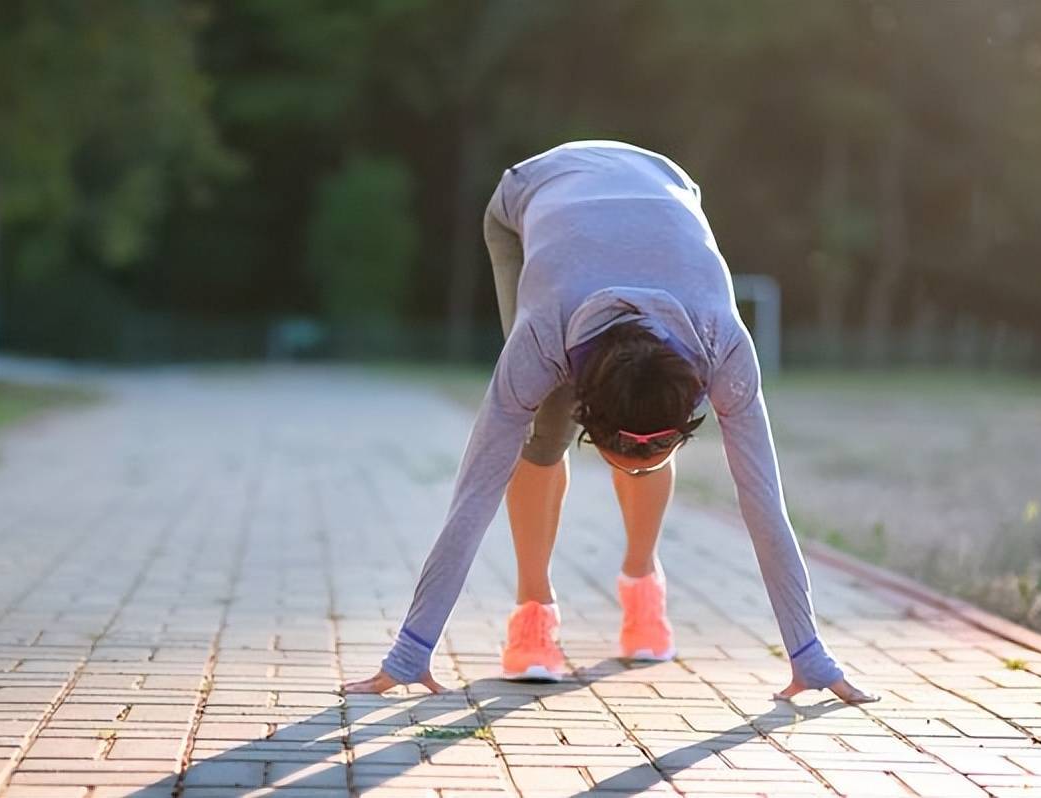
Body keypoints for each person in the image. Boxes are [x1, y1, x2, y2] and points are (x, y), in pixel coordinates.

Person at [344, 141, 878, 704]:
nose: (647, 454)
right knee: (539, 432)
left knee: (641, 422)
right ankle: (533, 610)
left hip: (666, 183)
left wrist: (808, 654)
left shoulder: (723, 342)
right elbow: (475, 491)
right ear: (591, 421)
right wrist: (411, 651)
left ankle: (643, 583)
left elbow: (763, 500)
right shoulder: (543, 335)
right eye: (630, 449)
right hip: (531, 192)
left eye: (661, 445)